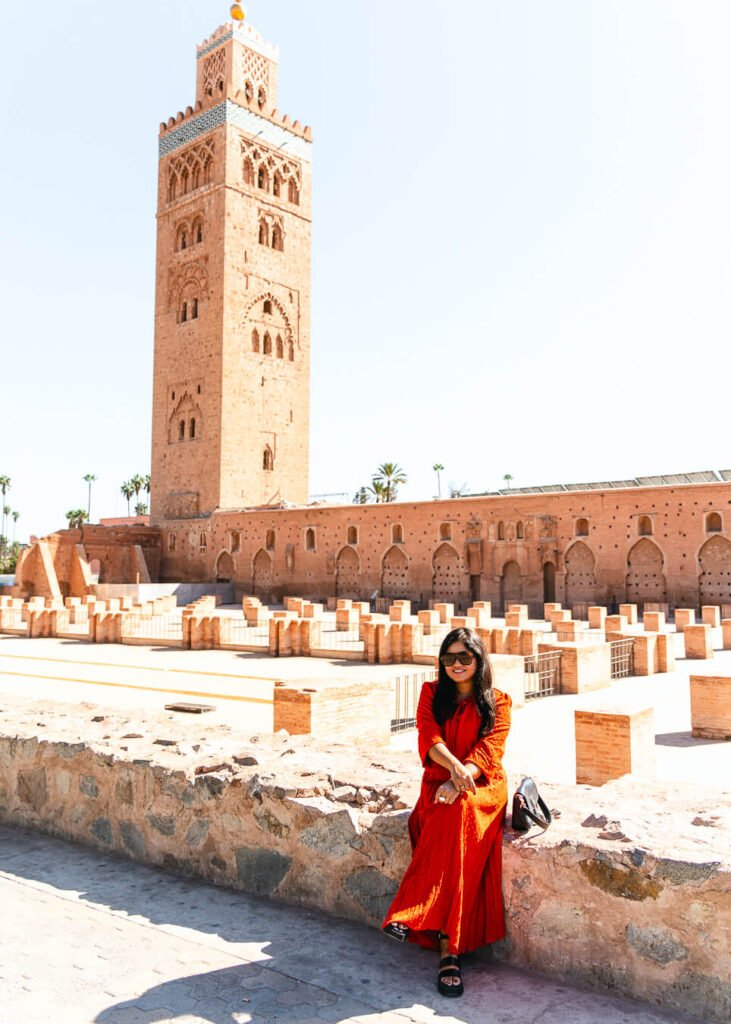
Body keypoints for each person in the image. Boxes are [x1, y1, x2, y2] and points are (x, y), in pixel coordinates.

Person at [382, 626, 512, 998]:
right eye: (449, 658)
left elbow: (490, 751)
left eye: (464, 657)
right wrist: (453, 769)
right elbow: (427, 733)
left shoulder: (499, 701)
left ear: (478, 660)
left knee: (457, 811)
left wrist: (460, 779)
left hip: (482, 786)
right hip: (440, 781)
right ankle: (446, 946)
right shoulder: (430, 694)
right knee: (446, 814)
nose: (456, 664)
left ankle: (429, 930)